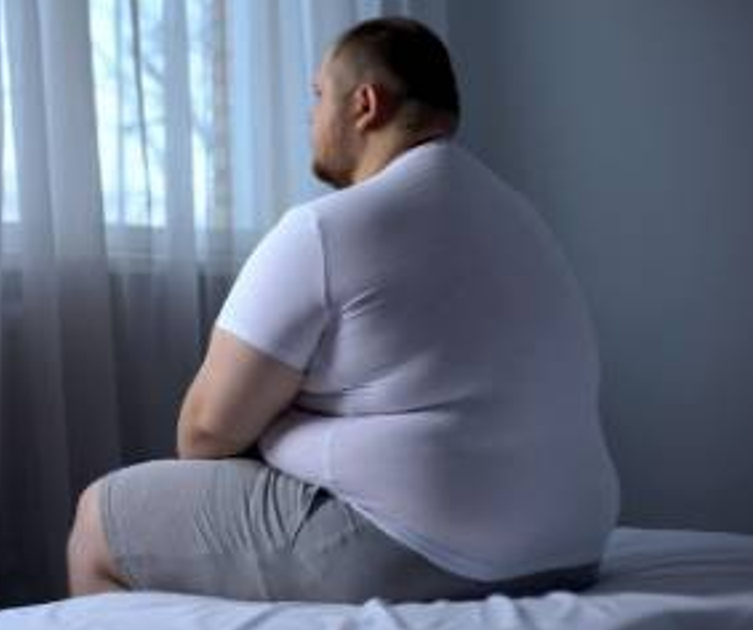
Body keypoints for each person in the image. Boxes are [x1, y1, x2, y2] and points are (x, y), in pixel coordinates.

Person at [66, 16, 620, 603]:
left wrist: (280, 426)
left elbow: (202, 434)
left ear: (364, 104)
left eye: (317, 95)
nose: (310, 116)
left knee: (100, 519)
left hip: (425, 544)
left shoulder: (327, 230)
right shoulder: (521, 221)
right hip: (572, 545)